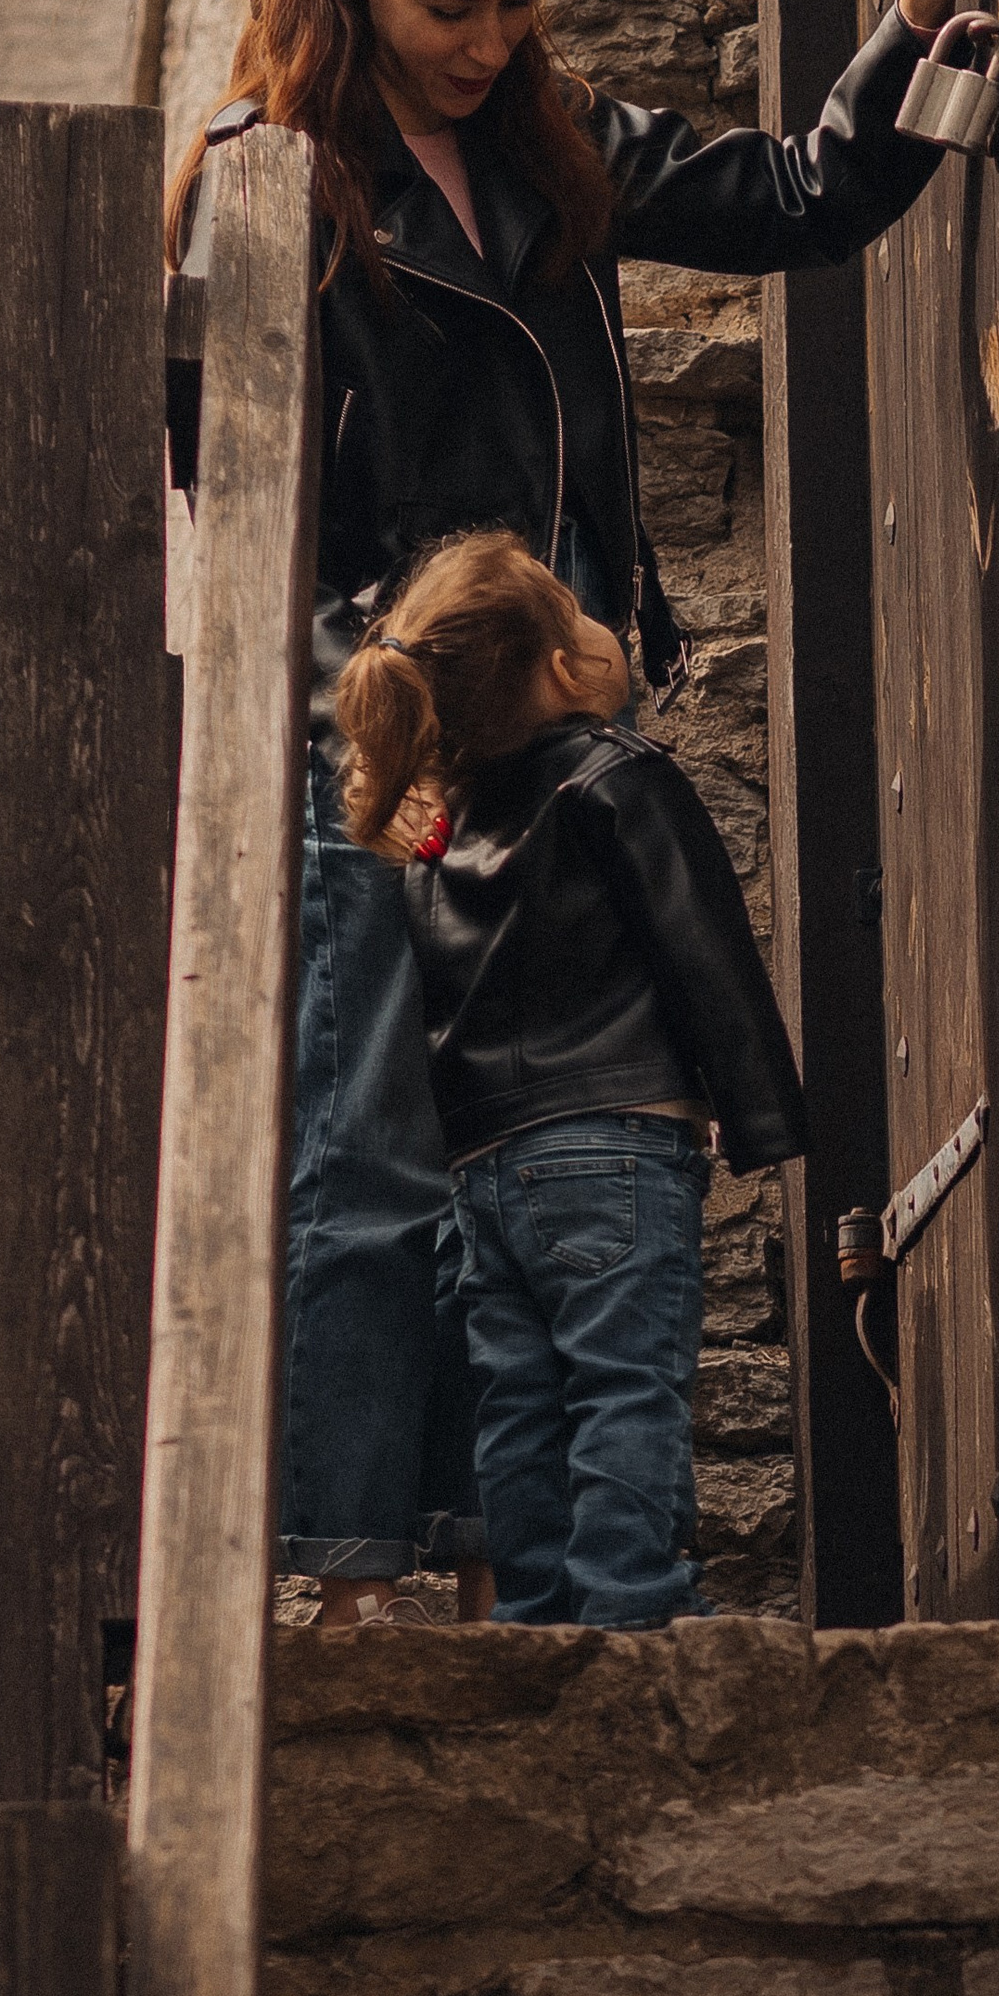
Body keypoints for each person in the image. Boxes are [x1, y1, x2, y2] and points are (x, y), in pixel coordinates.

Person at [168, 0, 983, 1636]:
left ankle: (500, 1554)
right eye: (453, 6)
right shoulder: (267, 180)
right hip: (383, 745)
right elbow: (221, 485)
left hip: (554, 739)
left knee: (525, 1149)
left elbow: (796, 195)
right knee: (367, 1144)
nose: (490, 39)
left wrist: (908, 25)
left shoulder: (554, 150)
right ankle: (353, 1566)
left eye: (518, 0)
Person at [334, 530, 807, 1632]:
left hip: (486, 1170)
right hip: (615, 1147)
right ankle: (632, 1607)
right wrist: (764, 1115)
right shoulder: (618, 777)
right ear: (561, 664)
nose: (602, 627)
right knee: (625, 1383)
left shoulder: (438, 837)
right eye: (581, 611)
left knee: (522, 1406)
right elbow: (703, 951)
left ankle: (536, 1619)